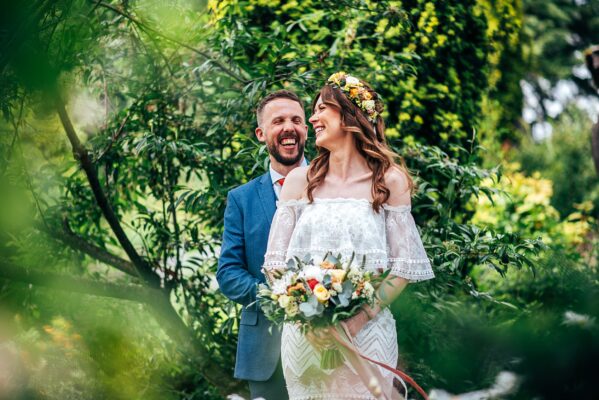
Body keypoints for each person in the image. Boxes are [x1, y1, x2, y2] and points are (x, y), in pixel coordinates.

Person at [262, 72, 435, 400]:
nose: (312, 118)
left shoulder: (389, 182)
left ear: (349, 116)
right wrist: (306, 318)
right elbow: (275, 265)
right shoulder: (299, 181)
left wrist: (357, 319)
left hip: (368, 334)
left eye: (321, 109)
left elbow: (402, 269)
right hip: (305, 338)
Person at [217, 90, 308, 400]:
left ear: (306, 130)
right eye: (278, 121)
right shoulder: (241, 199)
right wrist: (277, 296)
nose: (289, 127)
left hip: (328, 344)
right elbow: (228, 273)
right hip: (265, 353)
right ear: (261, 134)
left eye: (296, 120)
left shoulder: (332, 186)